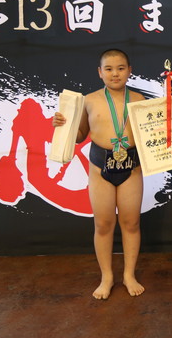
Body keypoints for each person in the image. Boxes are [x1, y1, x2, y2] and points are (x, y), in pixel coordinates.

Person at [52, 49, 146, 299]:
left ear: (130, 70)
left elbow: (153, 134)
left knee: (131, 223)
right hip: (99, 168)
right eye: (109, 69)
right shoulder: (89, 100)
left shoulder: (139, 100)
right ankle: (107, 276)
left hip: (131, 167)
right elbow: (80, 135)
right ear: (99, 72)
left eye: (121, 68)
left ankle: (129, 275)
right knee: (103, 224)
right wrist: (63, 126)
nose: (115, 74)